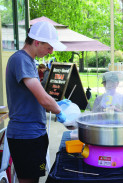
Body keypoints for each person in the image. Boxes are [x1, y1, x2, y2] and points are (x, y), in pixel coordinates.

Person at [6, 21, 68, 183]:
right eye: (49, 46)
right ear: (37, 42)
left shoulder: (29, 61)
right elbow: (42, 98)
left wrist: (54, 104)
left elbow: (35, 97)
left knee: (35, 177)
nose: (51, 51)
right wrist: (60, 112)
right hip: (25, 136)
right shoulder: (21, 60)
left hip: (35, 133)